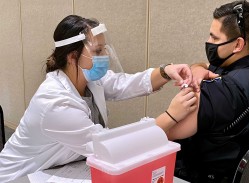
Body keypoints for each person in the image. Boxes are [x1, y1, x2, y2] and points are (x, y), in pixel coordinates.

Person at [0, 15, 198, 182]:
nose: (104, 55)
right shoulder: (54, 103)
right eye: (97, 51)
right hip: (21, 176)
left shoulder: (89, 80)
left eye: (104, 49)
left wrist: (166, 71)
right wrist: (171, 116)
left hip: (60, 166)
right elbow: (108, 147)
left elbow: (125, 83)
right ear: (72, 56)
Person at [161, 1, 249, 182]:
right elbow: (204, 64)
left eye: (215, 38)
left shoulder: (223, 93)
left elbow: (162, 133)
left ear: (237, 44)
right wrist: (196, 69)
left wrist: (170, 114)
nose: (209, 42)